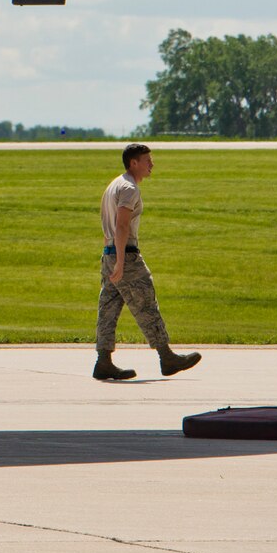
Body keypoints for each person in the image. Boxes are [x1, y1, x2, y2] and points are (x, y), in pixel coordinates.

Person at [93, 142, 200, 382]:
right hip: (125, 255)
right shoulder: (129, 188)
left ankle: (103, 361)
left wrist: (111, 258)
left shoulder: (114, 185)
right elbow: (121, 225)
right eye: (147, 160)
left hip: (109, 252)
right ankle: (166, 357)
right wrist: (122, 261)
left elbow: (108, 226)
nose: (152, 164)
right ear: (134, 163)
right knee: (146, 303)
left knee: (108, 309)